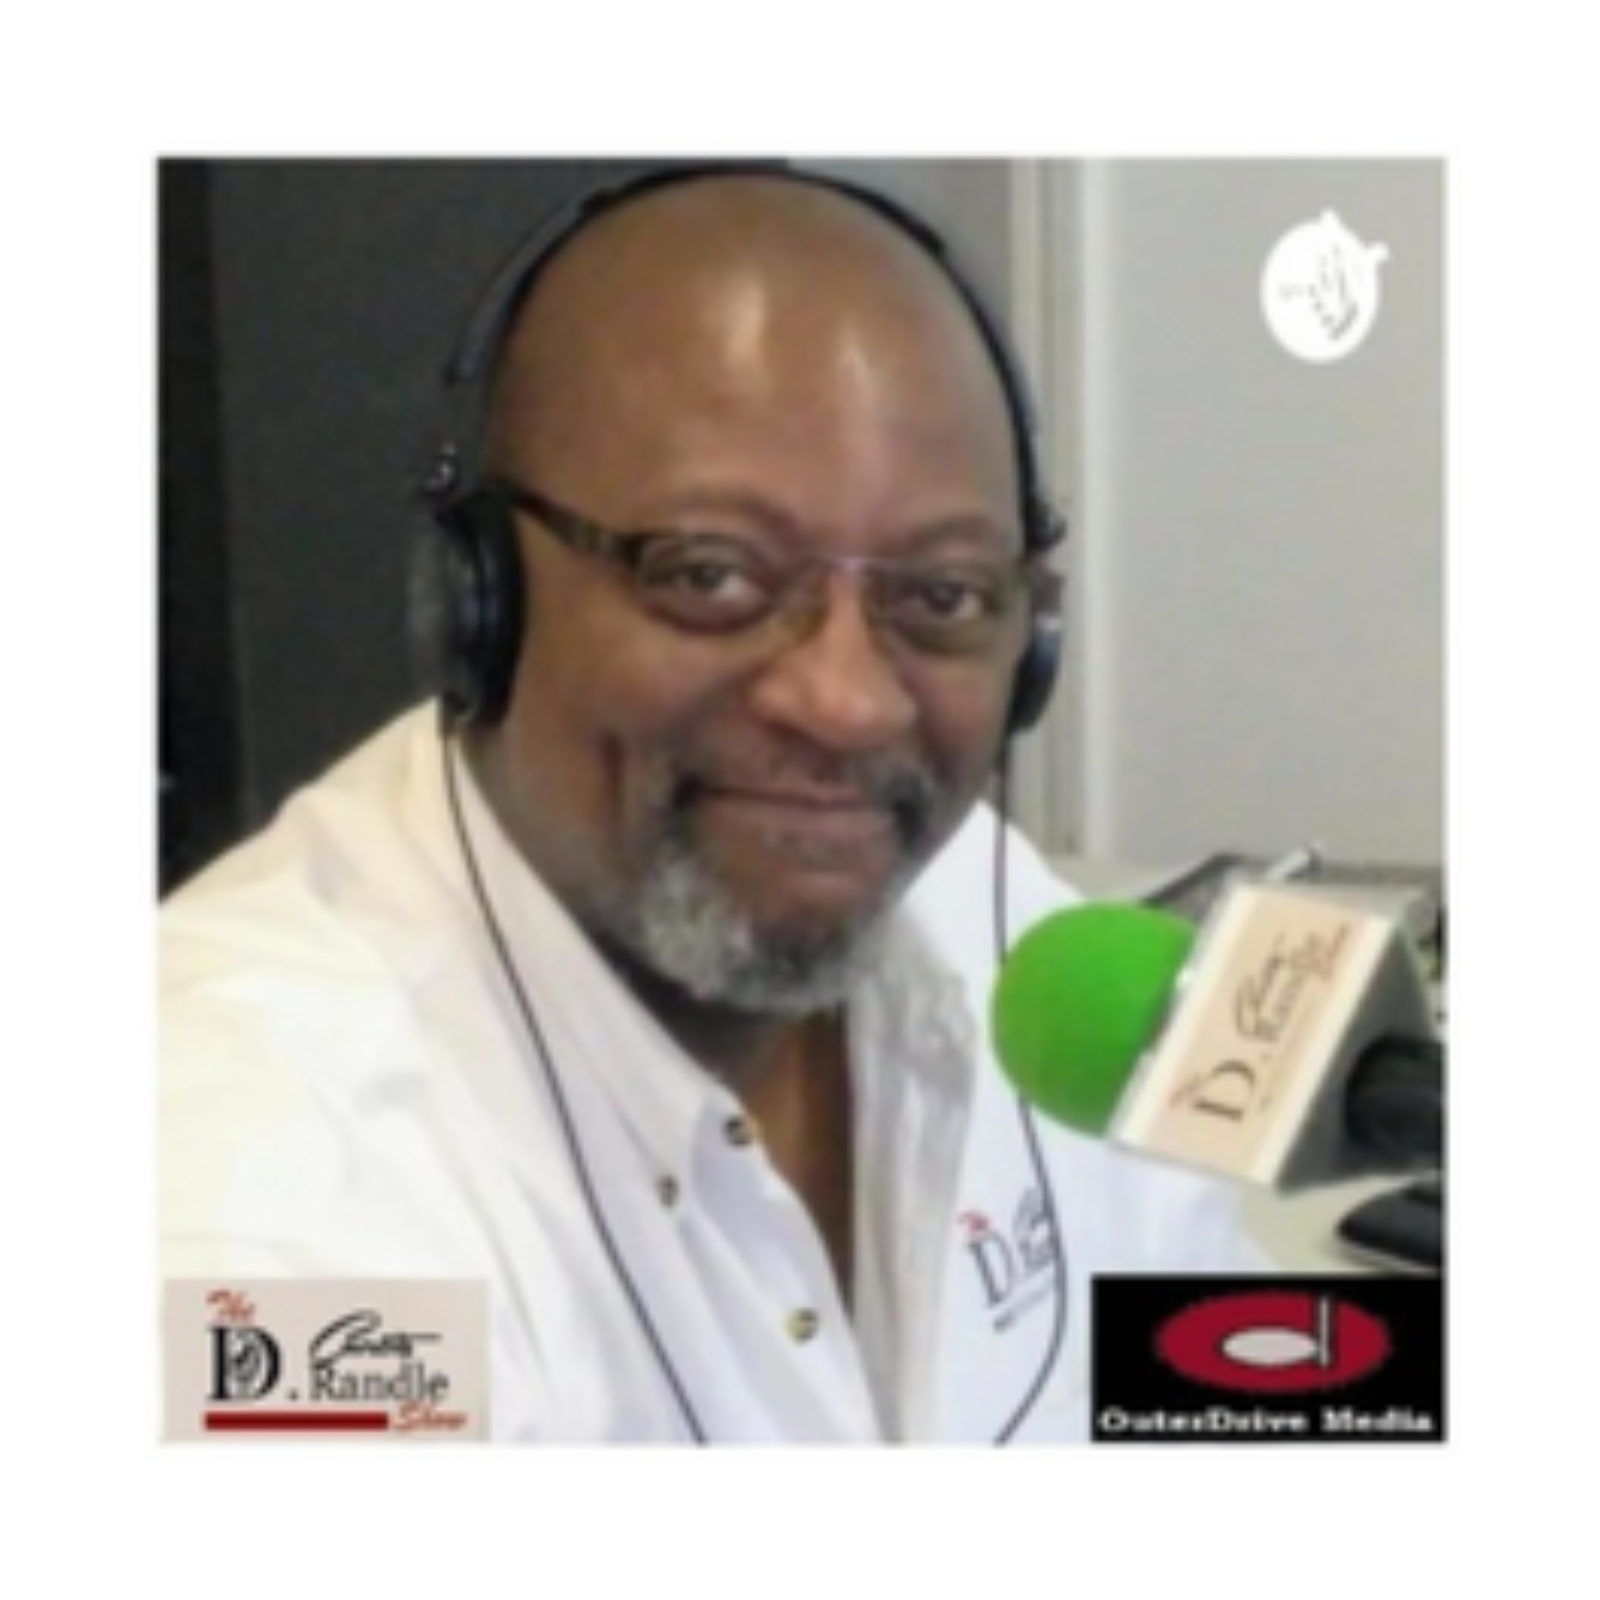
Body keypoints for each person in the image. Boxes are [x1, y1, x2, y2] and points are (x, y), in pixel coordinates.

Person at [159, 164, 1261, 1445]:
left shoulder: (990, 917)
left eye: (940, 597)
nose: (847, 704)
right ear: (477, 602)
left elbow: (1232, 1375)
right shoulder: (258, 1198)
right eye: (708, 575)